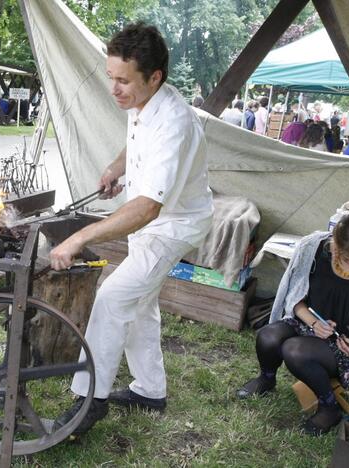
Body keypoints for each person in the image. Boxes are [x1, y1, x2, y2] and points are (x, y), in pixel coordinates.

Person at [49, 22, 213, 437]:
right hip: (157, 219)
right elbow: (138, 140)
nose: (114, 89)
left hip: (172, 225)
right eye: (111, 78)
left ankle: (90, 401)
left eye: (123, 80)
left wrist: (79, 237)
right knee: (141, 306)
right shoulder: (142, 102)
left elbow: (146, 209)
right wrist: (116, 167)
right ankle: (150, 390)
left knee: (113, 298)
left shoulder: (175, 121)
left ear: (154, 77)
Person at [237, 203, 349, 435]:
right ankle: (267, 379)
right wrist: (313, 323)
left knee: (294, 350)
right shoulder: (313, 248)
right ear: (335, 242)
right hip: (308, 322)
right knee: (268, 337)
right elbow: (294, 297)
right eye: (346, 257)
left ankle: (329, 408)